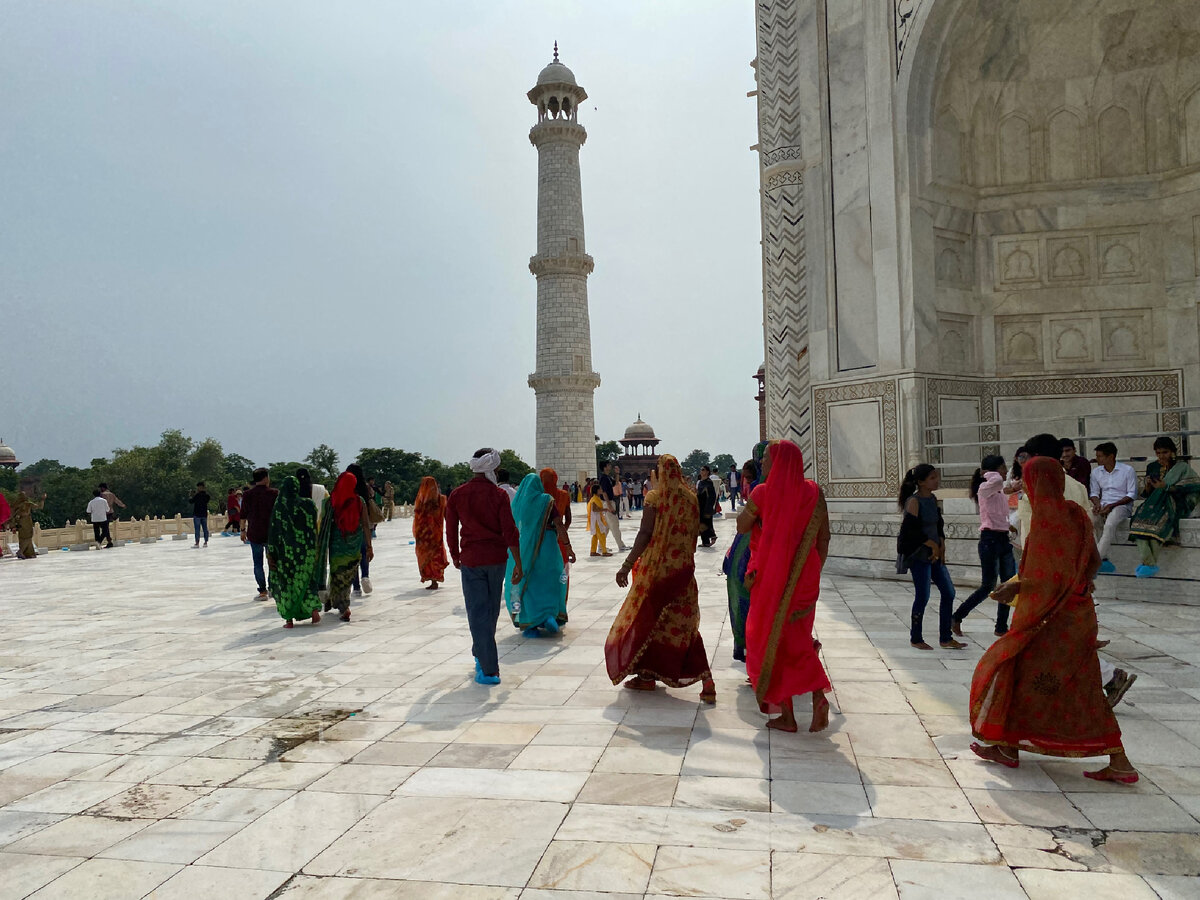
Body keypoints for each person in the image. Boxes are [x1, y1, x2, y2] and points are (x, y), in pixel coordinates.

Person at [971, 457, 1138, 783]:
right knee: (1083, 689)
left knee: (1015, 673)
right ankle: (1116, 760)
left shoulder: (1047, 520)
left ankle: (1008, 748)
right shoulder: (1076, 513)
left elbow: (1044, 579)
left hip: (1050, 621)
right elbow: (1090, 561)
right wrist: (1079, 584)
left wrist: (1015, 588)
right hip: (1078, 616)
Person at [737, 441, 831, 732]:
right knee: (796, 641)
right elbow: (824, 538)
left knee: (771, 642)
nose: (763, 463)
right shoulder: (814, 492)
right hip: (805, 582)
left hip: (771, 582)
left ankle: (799, 708)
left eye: (766, 458)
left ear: (778, 462)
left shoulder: (763, 493)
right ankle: (805, 704)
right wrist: (812, 570)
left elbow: (741, 527)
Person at [606, 455, 716, 703]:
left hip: (658, 572)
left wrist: (626, 565)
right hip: (684, 572)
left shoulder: (655, 497)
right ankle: (706, 679)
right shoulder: (690, 498)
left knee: (649, 622)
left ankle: (646, 677)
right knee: (683, 627)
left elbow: (645, 533)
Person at [446, 448, 523, 685]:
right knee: (490, 610)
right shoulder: (498, 495)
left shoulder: (458, 494)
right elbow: (510, 531)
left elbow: (450, 528)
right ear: (493, 469)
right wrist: (518, 562)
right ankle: (489, 668)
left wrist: (455, 555)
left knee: (479, 611)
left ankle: (482, 654)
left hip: (471, 559)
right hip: (496, 559)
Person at [896, 465, 967, 651]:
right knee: (923, 596)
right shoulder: (914, 501)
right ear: (921, 482)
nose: (936, 481)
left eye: (936, 477)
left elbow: (938, 524)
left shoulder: (933, 499)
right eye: (932, 478)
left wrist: (941, 543)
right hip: (920, 555)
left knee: (948, 592)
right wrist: (931, 544)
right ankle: (916, 637)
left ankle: (945, 637)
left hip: (935, 555)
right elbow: (910, 532)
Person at [951, 455, 1014, 638]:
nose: (1004, 471)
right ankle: (957, 616)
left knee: (1007, 585)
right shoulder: (985, 487)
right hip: (990, 541)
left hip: (1002, 539)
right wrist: (988, 473)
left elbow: (997, 511)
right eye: (1002, 468)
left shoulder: (999, 490)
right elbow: (996, 481)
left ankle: (1001, 626)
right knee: (988, 585)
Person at [505, 473, 571, 637]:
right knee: (551, 580)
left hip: (525, 546)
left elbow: (513, 527)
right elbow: (559, 525)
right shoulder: (546, 500)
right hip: (548, 545)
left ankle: (530, 624)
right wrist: (568, 547)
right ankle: (549, 615)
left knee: (527, 581)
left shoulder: (520, 503)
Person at [1128, 436, 1200, 578]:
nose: (1162, 456)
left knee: (1157, 532)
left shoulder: (1181, 467)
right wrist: (1149, 485)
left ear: (1173, 452)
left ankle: (1148, 564)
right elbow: (1147, 494)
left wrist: (1166, 486)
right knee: (1138, 527)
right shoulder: (1152, 467)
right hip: (1154, 504)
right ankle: (1149, 564)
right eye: (1158, 452)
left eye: (1165, 452)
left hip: (1175, 502)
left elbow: (1193, 487)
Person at [266, 475, 322, 629]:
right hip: (306, 552)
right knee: (308, 581)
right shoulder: (308, 505)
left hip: (286, 555)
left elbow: (273, 533)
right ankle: (314, 609)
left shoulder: (279, 508)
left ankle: (289, 619)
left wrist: (271, 554)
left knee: (287, 583)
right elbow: (313, 528)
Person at [724, 457, 763, 663]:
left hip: (756, 558)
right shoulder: (760, 491)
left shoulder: (762, 492)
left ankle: (753, 649)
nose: (747, 483)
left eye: (749, 478)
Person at [324, 471, 372, 622]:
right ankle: (341, 603)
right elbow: (365, 525)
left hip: (337, 547)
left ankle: (342, 604)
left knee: (337, 574)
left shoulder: (331, 501)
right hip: (354, 546)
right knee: (348, 575)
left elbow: (325, 526)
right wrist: (369, 546)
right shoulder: (359, 501)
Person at [1089, 442, 1138, 574]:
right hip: (1103, 504)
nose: (1097, 459)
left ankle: (1096, 559)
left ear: (1111, 456)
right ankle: (1101, 557)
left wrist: (1112, 506)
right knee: (1089, 521)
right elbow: (1093, 493)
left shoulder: (1127, 470)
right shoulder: (1096, 472)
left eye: (1100, 456)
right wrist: (1097, 504)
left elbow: (1132, 494)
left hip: (1122, 506)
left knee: (1110, 525)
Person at [240, 468, 279, 600]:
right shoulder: (274, 493)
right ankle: (273, 588)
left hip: (254, 533)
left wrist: (242, 531)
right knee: (272, 561)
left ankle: (262, 591)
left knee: (258, 563)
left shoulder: (247, 494)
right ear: (266, 478)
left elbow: (243, 514)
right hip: (271, 533)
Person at [540, 467, 575, 600]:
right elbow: (568, 519)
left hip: (542, 539)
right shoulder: (564, 495)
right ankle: (561, 603)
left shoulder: (540, 497)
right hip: (559, 538)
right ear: (556, 479)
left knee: (544, 572)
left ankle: (546, 604)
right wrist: (562, 533)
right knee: (562, 572)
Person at [413, 476, 449, 590]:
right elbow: (447, 516)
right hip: (436, 535)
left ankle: (432, 579)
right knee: (435, 557)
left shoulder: (420, 502)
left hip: (424, 536)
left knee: (426, 557)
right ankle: (434, 579)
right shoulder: (442, 500)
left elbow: (417, 519)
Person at [346, 464, 375, 596]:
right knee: (364, 552)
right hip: (362, 523)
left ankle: (356, 586)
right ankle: (365, 576)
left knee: (352, 557)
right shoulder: (365, 488)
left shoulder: (346, 488)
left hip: (348, 527)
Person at [598, 461, 628, 551]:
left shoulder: (608, 477)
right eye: (608, 465)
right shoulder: (603, 478)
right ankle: (621, 545)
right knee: (614, 524)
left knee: (606, 527)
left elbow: (615, 483)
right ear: (604, 467)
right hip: (609, 502)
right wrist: (609, 506)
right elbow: (604, 492)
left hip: (609, 502)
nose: (610, 466)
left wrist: (617, 473)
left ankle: (601, 547)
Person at [12, 491, 45, 559]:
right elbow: (39, 507)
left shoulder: (16, 505)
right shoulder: (27, 504)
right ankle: (20, 551)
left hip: (21, 523)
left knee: (23, 538)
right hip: (26, 522)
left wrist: (13, 526)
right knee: (28, 537)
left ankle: (28, 554)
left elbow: (13, 516)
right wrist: (42, 499)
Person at [587, 484, 611, 557]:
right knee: (601, 535)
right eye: (600, 489)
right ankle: (604, 551)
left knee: (595, 536)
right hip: (597, 520)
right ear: (596, 490)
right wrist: (604, 509)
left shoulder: (596, 498)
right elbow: (594, 509)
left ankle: (593, 551)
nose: (601, 490)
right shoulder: (594, 499)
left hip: (596, 519)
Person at [696, 465, 717, 547]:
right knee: (702, 524)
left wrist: (709, 508)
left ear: (707, 472)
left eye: (703, 470)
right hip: (700, 506)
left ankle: (712, 537)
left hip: (706, 506)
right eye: (701, 470)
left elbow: (712, 496)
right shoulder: (701, 482)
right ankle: (705, 541)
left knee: (707, 523)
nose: (701, 471)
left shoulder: (709, 483)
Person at [190, 481, 211, 548]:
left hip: (197, 514)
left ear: (200, 487)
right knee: (205, 528)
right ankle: (205, 542)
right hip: (204, 514)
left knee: (197, 529)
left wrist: (191, 495)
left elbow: (191, 501)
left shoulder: (197, 495)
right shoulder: (207, 496)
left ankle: (197, 543)